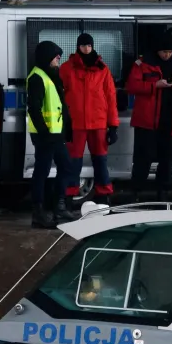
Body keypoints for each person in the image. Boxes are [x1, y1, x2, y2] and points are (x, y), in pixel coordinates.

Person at [126, 30, 172, 201]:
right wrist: (154, 86)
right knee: (143, 160)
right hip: (147, 123)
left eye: (170, 52)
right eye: (164, 51)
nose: (167, 55)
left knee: (167, 162)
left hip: (171, 122)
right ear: (157, 50)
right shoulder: (142, 64)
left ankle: (163, 195)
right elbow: (131, 86)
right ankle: (136, 194)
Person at [58, 32, 119, 204]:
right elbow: (58, 96)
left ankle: (104, 195)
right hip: (75, 124)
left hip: (98, 123)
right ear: (78, 47)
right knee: (73, 162)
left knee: (100, 160)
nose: (86, 48)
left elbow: (110, 97)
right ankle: (69, 195)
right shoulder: (67, 69)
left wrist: (113, 126)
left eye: (89, 45)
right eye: (84, 45)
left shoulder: (102, 69)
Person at [26, 40, 79, 228]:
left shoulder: (51, 76)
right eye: (56, 57)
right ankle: (39, 212)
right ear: (47, 58)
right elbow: (34, 109)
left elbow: (60, 106)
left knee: (65, 168)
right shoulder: (37, 77)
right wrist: (44, 132)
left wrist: (67, 128)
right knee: (42, 172)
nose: (59, 60)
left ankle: (59, 207)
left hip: (55, 134)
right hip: (46, 135)